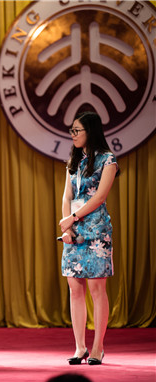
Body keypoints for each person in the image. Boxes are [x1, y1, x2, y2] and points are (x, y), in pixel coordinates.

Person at [59, 111, 119, 366]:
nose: (72, 135)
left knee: (96, 288)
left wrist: (72, 218)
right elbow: (66, 195)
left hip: (96, 230)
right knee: (75, 288)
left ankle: (98, 347)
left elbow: (99, 198)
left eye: (77, 130)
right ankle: (79, 347)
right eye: (71, 130)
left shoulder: (108, 159)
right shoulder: (73, 161)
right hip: (74, 231)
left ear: (90, 131)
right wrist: (68, 227)